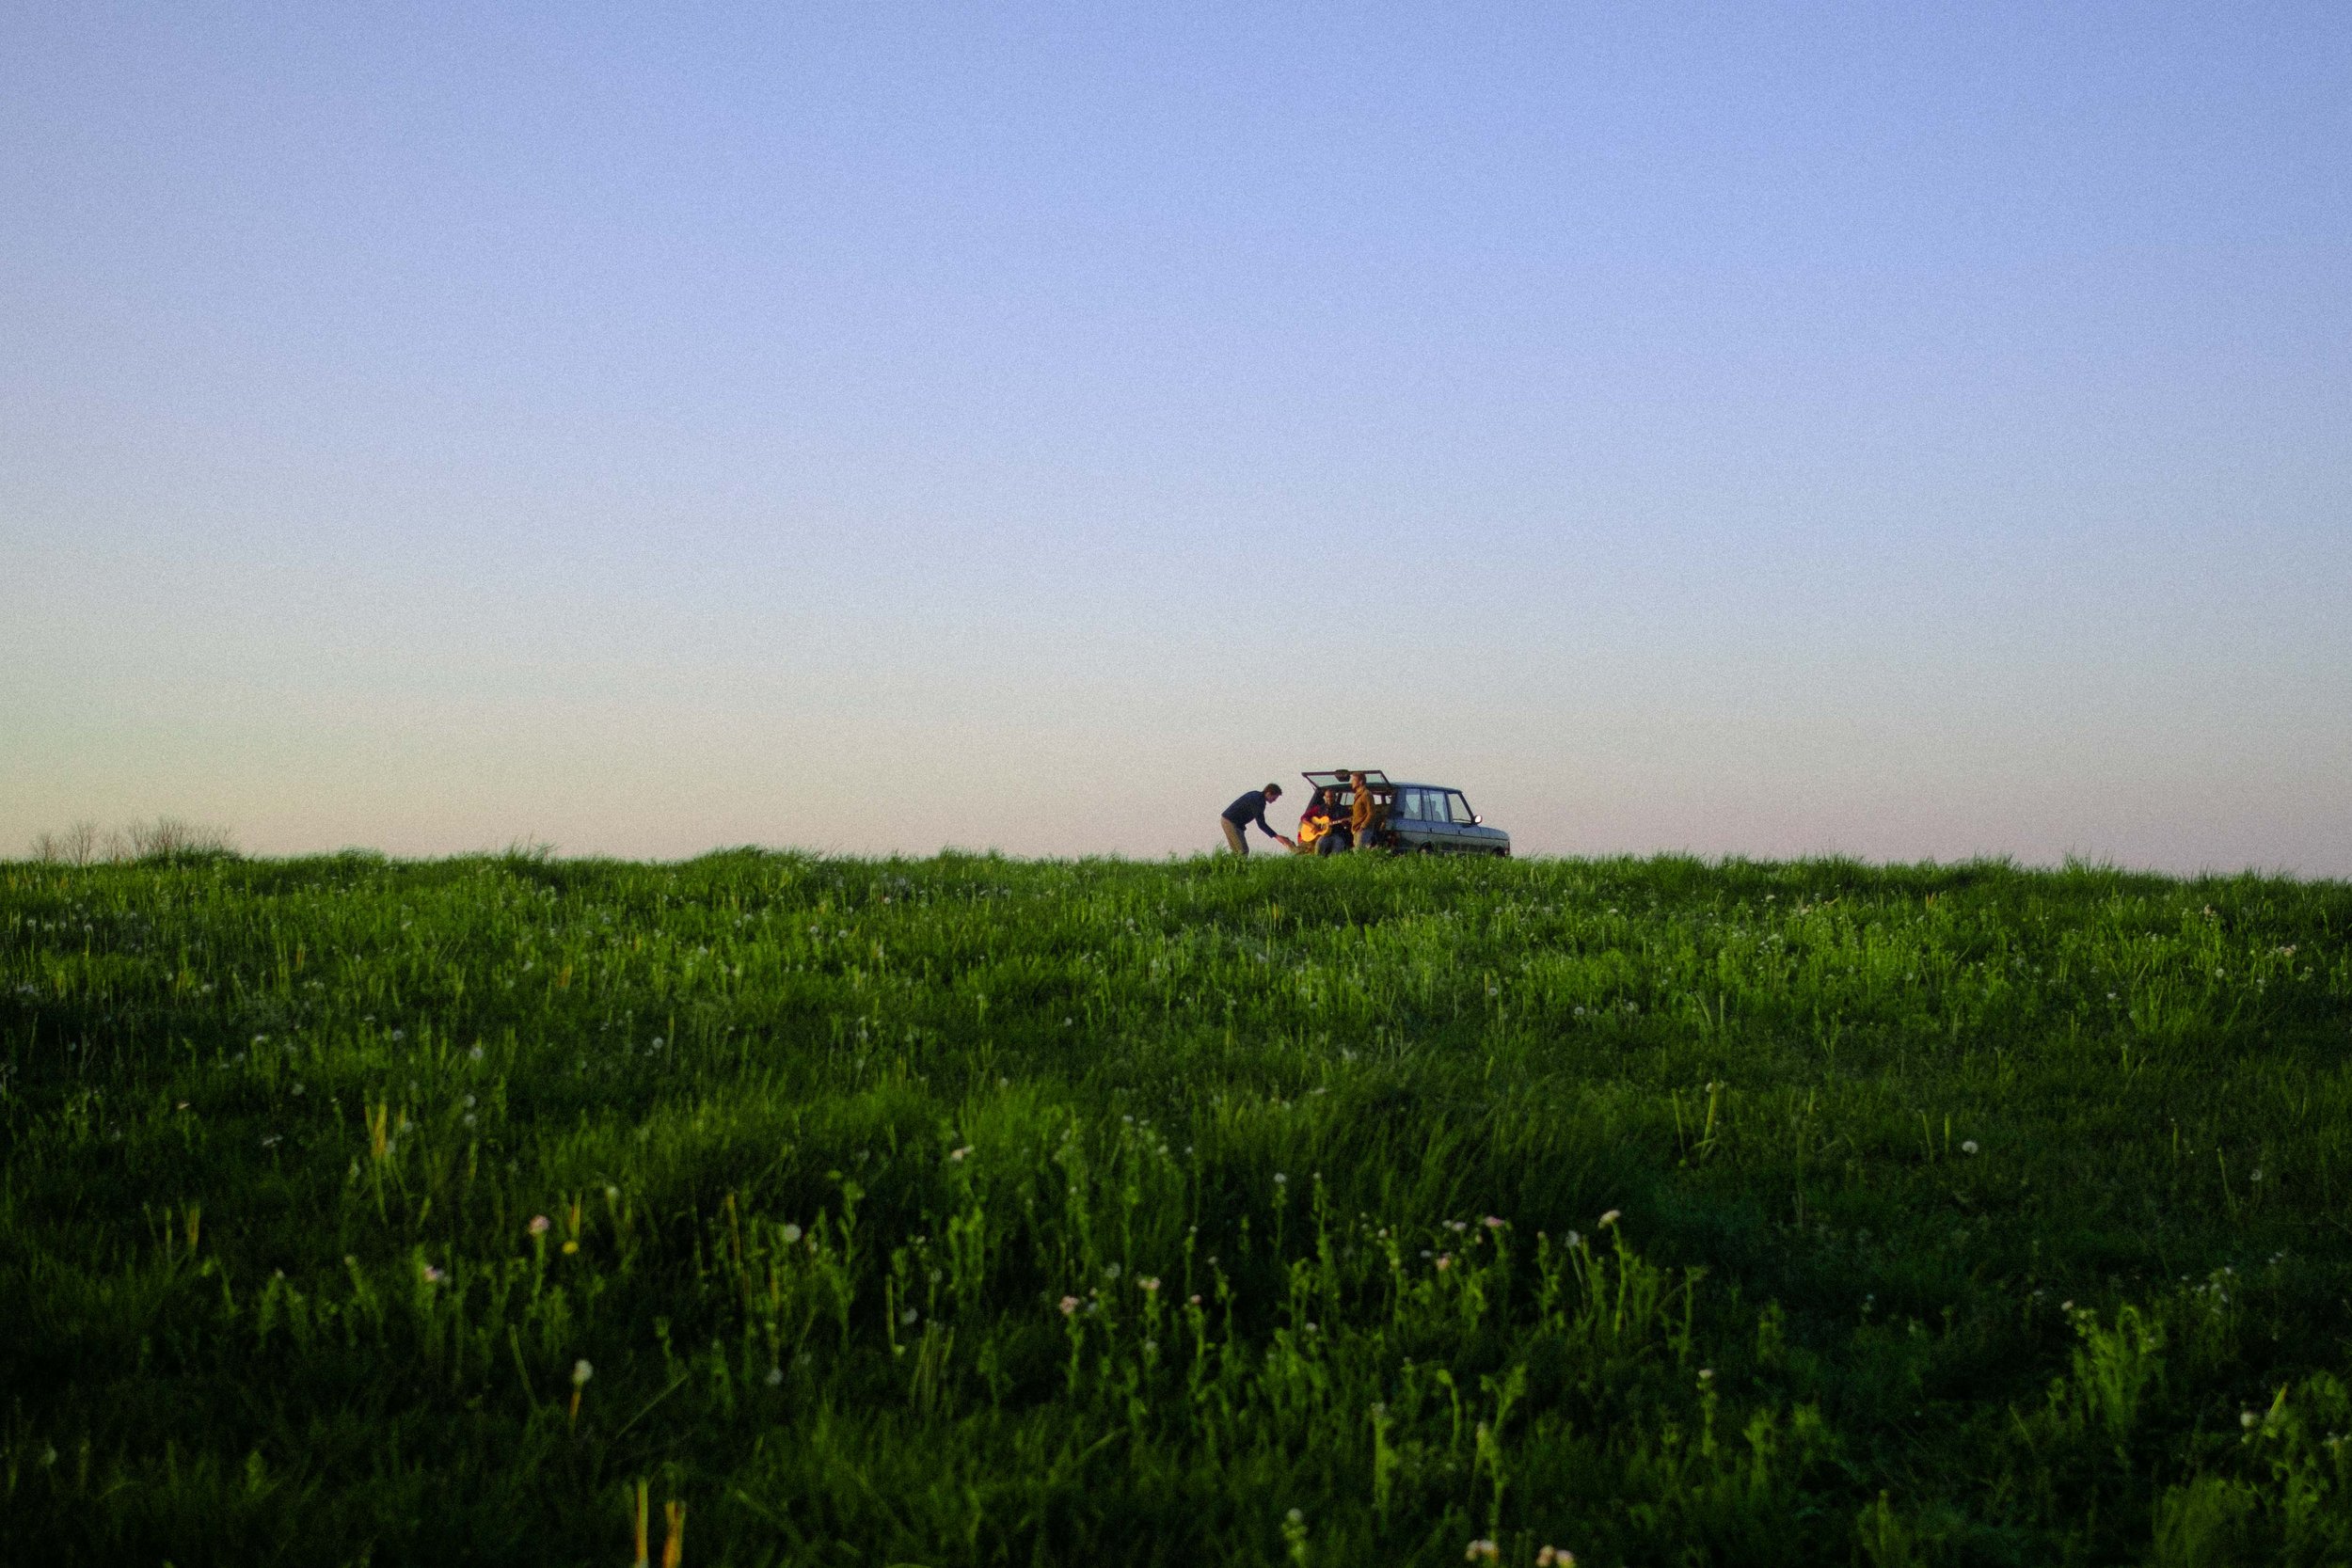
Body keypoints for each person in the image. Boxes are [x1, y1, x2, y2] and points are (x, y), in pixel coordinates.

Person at [1221, 784, 1291, 856]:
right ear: (1269, 793)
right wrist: (1276, 836)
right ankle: (1234, 866)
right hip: (1229, 822)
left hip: (1234, 823)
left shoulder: (1257, 796)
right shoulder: (1258, 801)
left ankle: (1231, 866)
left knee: (1240, 851)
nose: (1274, 801)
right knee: (1242, 851)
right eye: (1274, 798)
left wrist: (1276, 835)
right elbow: (1261, 824)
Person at [1347, 771, 1382, 851]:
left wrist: (1363, 826)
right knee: (1358, 852)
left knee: (1359, 852)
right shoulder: (1358, 795)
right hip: (1356, 829)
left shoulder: (1366, 794)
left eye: (1353, 780)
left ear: (1361, 781)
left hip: (1363, 830)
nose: (1351, 782)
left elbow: (1372, 812)